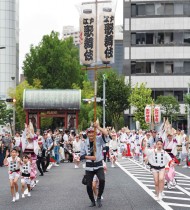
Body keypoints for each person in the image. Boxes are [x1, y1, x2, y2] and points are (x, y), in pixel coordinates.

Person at [80, 122, 109, 208]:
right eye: (90, 132)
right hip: (89, 166)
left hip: (99, 164)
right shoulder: (84, 143)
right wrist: (89, 157)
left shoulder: (99, 139)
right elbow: (81, 156)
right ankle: (92, 201)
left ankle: (99, 197)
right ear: (87, 134)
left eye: (93, 132)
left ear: (95, 133)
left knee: (102, 180)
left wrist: (98, 127)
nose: (91, 134)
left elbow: (106, 134)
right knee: (89, 185)